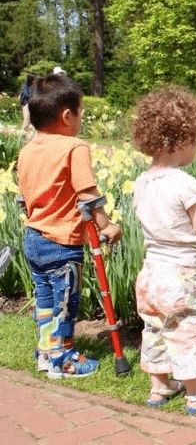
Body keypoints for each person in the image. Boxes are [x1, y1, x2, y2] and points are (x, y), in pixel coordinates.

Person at [130, 86, 196, 414]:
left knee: (156, 330)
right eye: (194, 140)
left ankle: (160, 388)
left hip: (149, 274)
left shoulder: (142, 181)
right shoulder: (184, 182)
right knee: (187, 331)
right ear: (178, 141)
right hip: (180, 276)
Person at [16, 73, 123, 378]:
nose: (81, 120)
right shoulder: (74, 148)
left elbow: (23, 198)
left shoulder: (27, 151)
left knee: (46, 300)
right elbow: (87, 195)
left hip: (33, 239)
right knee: (66, 302)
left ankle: (46, 351)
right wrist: (106, 226)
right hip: (61, 244)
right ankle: (64, 360)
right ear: (67, 116)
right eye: (80, 113)